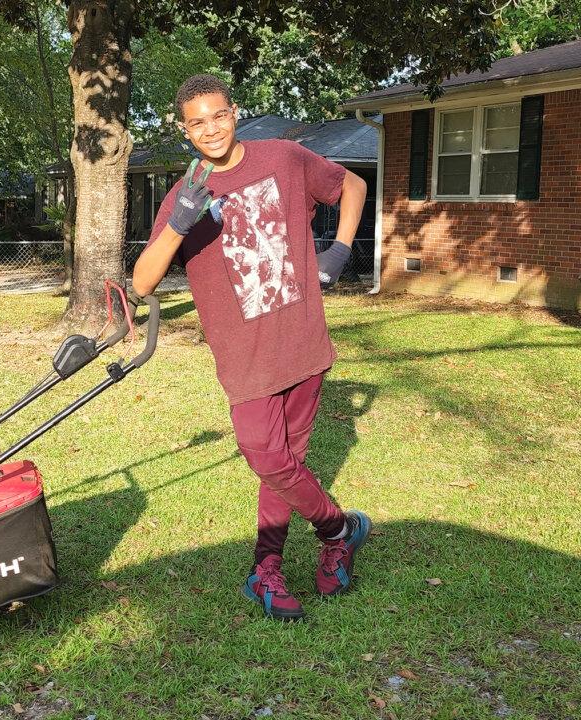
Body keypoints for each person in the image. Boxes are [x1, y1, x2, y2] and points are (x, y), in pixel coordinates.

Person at [132, 74, 371, 621]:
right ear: (184, 129)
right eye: (197, 122)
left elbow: (352, 186)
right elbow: (143, 281)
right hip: (245, 357)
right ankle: (340, 531)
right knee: (266, 456)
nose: (211, 129)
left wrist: (339, 250)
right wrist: (177, 224)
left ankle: (266, 568)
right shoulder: (183, 192)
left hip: (302, 341)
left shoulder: (284, 157)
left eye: (218, 115)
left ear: (234, 112)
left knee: (286, 462)